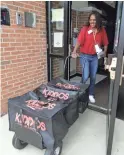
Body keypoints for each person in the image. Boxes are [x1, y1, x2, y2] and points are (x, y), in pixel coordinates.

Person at [72, 11, 109, 103]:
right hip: (85, 56)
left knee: (93, 77)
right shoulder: (85, 29)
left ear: (98, 21)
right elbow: (79, 41)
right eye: (90, 20)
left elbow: (106, 42)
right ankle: (79, 93)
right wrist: (74, 51)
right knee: (85, 76)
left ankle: (91, 94)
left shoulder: (102, 30)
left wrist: (104, 52)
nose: (92, 21)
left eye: (94, 20)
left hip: (95, 57)